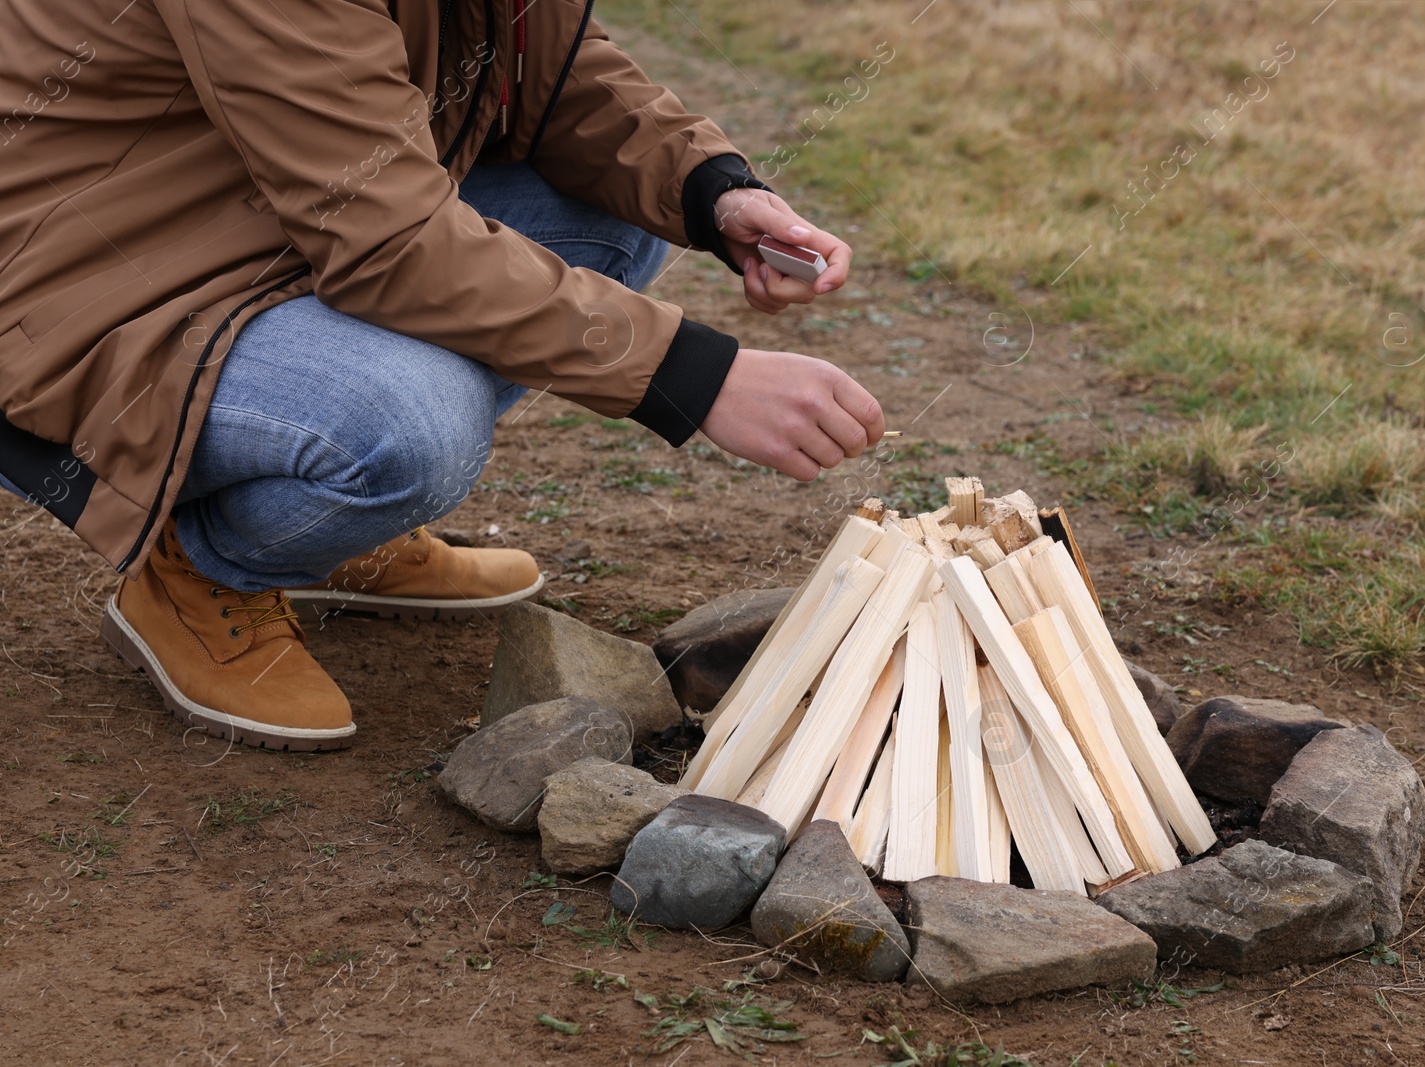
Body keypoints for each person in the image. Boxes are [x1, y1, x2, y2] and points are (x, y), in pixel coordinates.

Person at [0, 1, 884, 751]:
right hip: (86, 280)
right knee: (417, 425)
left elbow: (548, 68)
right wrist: (700, 376)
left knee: (619, 218)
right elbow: (387, 241)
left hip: (267, 213)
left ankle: (325, 534)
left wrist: (711, 188)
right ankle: (200, 567)